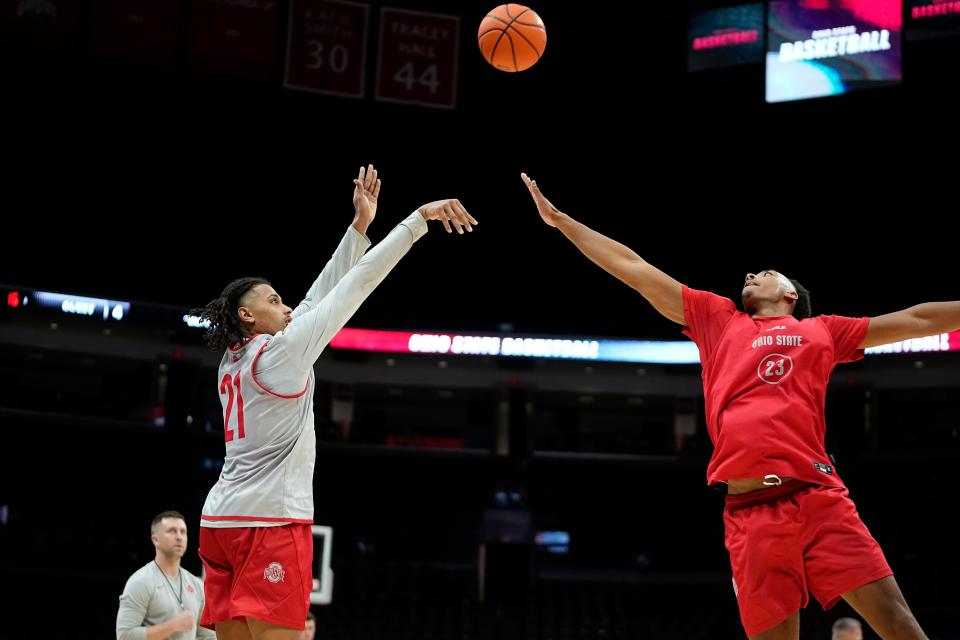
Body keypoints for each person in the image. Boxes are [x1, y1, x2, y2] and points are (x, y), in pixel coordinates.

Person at [520, 172, 958, 640]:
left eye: (765, 273)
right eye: (751, 273)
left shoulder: (824, 331)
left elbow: (917, 317)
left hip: (818, 500)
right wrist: (562, 222)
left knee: (898, 624)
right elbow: (634, 267)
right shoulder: (718, 321)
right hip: (748, 512)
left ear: (791, 295)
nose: (750, 275)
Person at [193, 165, 477, 639]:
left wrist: (358, 228)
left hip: (220, 522)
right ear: (248, 314)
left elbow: (313, 301)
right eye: (274, 300)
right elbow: (350, 290)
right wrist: (416, 221)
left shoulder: (233, 359)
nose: (287, 306)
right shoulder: (281, 354)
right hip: (269, 523)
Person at [117, 511, 215, 640]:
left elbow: (208, 636)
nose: (179, 537)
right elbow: (124, 636)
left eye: (183, 532)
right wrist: (171, 626)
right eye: (172, 531)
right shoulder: (140, 581)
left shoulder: (197, 584)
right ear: (155, 540)